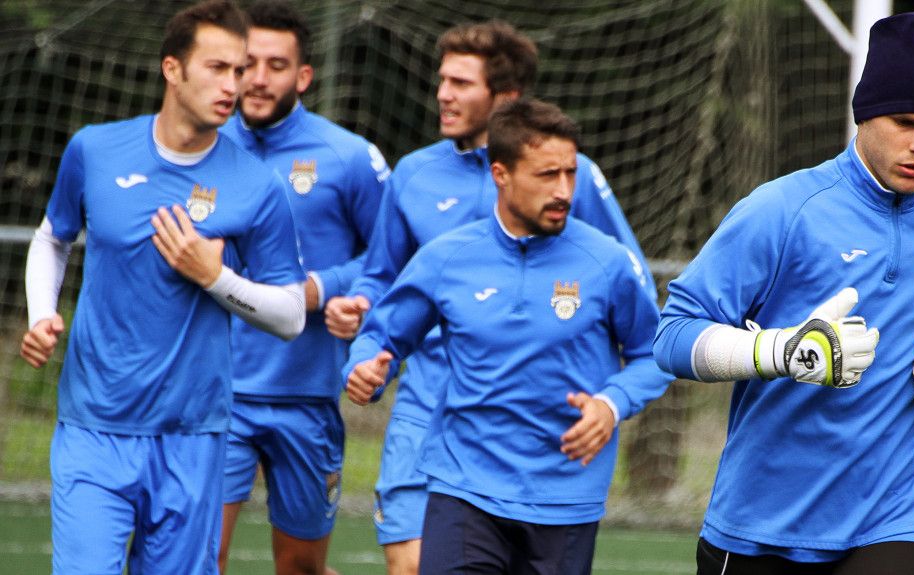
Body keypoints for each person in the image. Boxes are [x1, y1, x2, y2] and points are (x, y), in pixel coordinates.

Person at [653, 10, 914, 574]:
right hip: (760, 520)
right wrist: (779, 352)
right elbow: (671, 337)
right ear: (865, 113)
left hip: (895, 514)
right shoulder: (780, 210)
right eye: (905, 121)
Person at [322, 20, 653, 575]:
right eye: (441, 79)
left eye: (461, 82)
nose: (444, 94)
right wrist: (363, 339)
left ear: (505, 97)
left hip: (553, 448)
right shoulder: (417, 178)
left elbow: (638, 311)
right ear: (503, 175)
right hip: (437, 413)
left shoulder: (575, 192)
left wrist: (611, 401)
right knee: (409, 565)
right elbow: (383, 286)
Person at [18, 0, 307, 572]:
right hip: (93, 428)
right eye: (218, 68)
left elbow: (291, 315)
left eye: (240, 69)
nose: (235, 85)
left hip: (193, 436)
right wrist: (38, 314)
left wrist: (216, 278)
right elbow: (52, 238)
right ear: (172, 69)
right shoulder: (95, 151)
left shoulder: (257, 185)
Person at [213, 1, 389, 573]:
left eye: (276, 65)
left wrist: (326, 289)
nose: (259, 79)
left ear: (303, 76)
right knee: (195, 557)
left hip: (308, 396)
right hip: (216, 394)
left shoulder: (350, 157)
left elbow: (388, 261)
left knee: (301, 569)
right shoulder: (201, 148)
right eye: (248, 64)